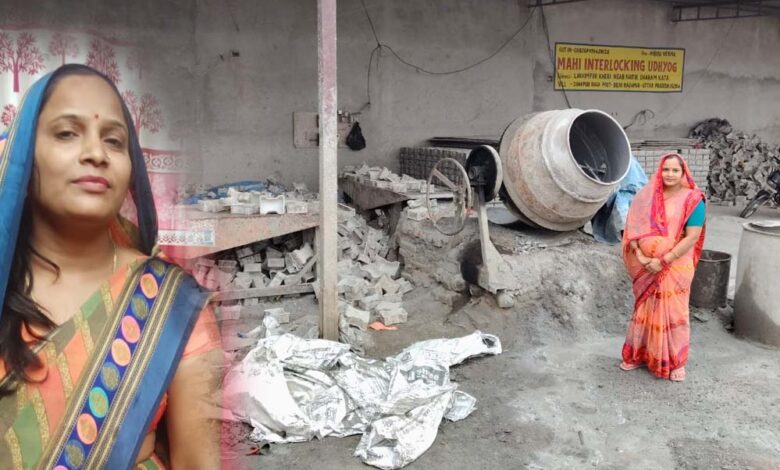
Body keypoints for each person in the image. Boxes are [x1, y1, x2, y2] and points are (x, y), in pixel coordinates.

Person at [0, 64, 221, 469]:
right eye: (67, 133)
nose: (96, 154)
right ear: (24, 158)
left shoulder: (170, 306)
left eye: (114, 141)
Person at [619, 153, 706, 382]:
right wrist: (640, 255)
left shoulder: (693, 199)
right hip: (647, 265)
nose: (670, 174)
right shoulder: (648, 197)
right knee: (645, 309)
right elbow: (634, 228)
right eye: (666, 169)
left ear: (683, 173)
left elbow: (692, 237)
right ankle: (639, 355)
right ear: (660, 171)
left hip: (675, 265)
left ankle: (675, 362)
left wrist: (663, 260)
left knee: (673, 311)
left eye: (675, 170)